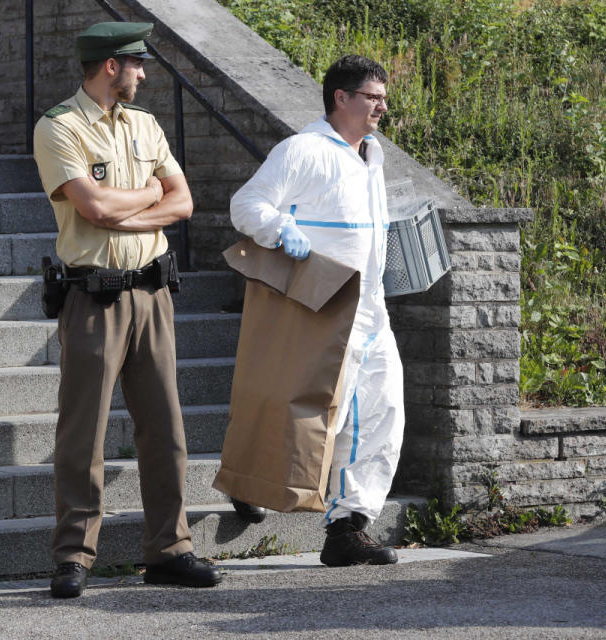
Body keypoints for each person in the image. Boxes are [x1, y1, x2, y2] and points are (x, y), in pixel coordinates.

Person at [32, 21, 221, 598]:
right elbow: (91, 208)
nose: (143, 73)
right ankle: (73, 555)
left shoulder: (145, 124)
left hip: (154, 293)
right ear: (111, 65)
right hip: (94, 295)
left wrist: (125, 209)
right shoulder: (59, 127)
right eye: (136, 63)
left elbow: (183, 201)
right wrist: (148, 198)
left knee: (165, 427)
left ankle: (170, 549)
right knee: (82, 432)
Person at [230, 55, 404, 567]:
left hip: (372, 306)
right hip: (322, 304)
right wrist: (281, 230)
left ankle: (348, 524)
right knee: (310, 410)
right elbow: (247, 206)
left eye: (384, 98)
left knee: (383, 410)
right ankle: (253, 482)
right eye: (372, 97)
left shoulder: (372, 156)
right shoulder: (302, 151)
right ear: (341, 98)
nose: (382, 107)